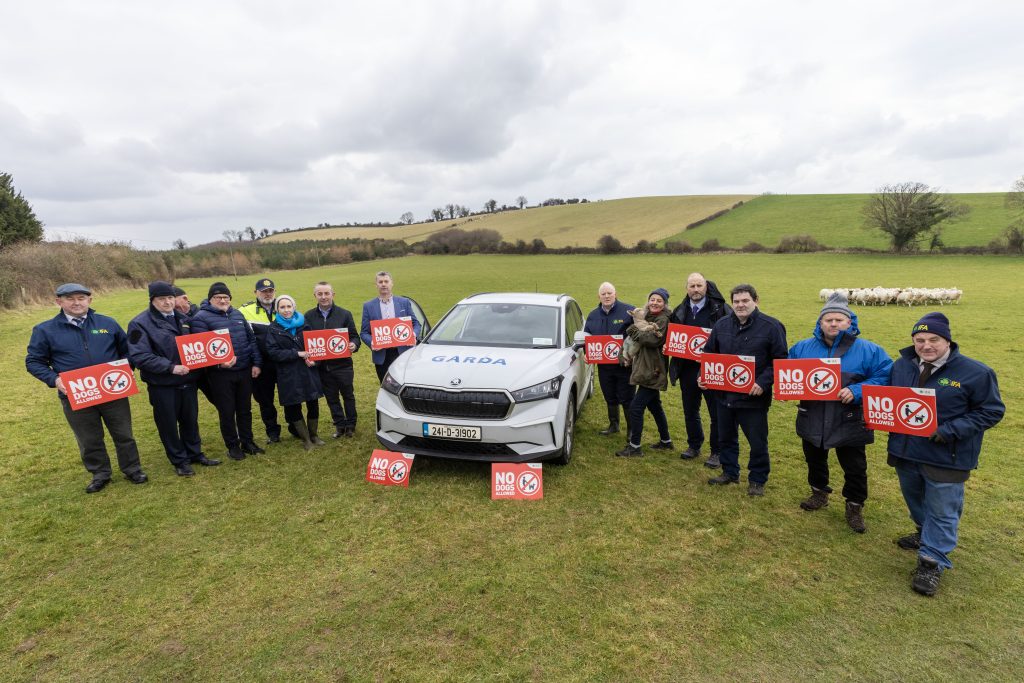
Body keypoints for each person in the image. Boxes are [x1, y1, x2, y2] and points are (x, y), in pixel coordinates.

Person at [887, 312, 1004, 596]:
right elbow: (891, 399)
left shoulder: (976, 373)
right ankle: (923, 533)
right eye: (919, 340)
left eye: (933, 339)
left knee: (942, 510)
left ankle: (932, 561)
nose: (926, 345)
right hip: (906, 450)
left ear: (947, 341)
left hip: (946, 455)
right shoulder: (902, 365)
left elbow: (992, 411)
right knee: (915, 499)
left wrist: (951, 430)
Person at [25, 283, 147, 493]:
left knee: (124, 434)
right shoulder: (45, 330)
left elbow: (128, 350)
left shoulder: (107, 323)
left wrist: (125, 369)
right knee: (89, 439)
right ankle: (100, 474)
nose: (76, 303)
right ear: (59, 302)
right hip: (76, 393)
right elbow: (34, 361)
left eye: (81, 298)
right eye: (70, 298)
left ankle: (132, 469)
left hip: (112, 390)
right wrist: (55, 379)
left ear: (89, 300)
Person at [787, 292, 892, 532]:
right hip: (813, 415)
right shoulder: (802, 348)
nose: (833, 324)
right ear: (820, 322)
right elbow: (788, 372)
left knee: (855, 466)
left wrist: (857, 390)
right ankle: (819, 493)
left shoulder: (869, 350)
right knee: (814, 459)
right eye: (828, 320)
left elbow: (886, 375)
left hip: (849, 418)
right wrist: (786, 388)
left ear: (849, 322)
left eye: (839, 320)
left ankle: (854, 505)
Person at [127, 281, 221, 476]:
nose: (167, 302)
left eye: (170, 297)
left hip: (188, 381)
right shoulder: (139, 323)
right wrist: (170, 367)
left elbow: (197, 345)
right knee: (168, 424)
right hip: (163, 384)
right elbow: (139, 356)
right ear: (152, 300)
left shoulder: (184, 318)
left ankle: (195, 453)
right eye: (162, 299)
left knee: (190, 420)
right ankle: (179, 460)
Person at [705, 283, 788, 496]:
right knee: (726, 437)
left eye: (745, 301)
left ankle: (757, 479)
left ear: (756, 301)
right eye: (736, 301)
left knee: (757, 441)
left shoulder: (772, 326)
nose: (740, 305)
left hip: (753, 398)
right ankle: (729, 471)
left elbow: (780, 360)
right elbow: (710, 354)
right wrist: (703, 375)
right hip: (724, 395)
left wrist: (763, 382)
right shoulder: (722, 324)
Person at [190, 282, 264, 460]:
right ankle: (233, 446)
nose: (223, 301)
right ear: (210, 299)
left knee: (245, 409)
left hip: (244, 370)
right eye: (218, 297)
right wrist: (219, 364)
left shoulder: (237, 313)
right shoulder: (200, 318)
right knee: (227, 411)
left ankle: (247, 442)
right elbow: (201, 349)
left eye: (226, 297)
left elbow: (251, 339)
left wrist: (256, 363)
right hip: (221, 374)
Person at [668, 272, 730, 467]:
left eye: (699, 285)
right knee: (690, 410)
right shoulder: (679, 310)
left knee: (716, 413)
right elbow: (673, 336)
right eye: (692, 286)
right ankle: (694, 445)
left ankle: (717, 452)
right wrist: (668, 346)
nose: (696, 290)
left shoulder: (721, 309)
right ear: (686, 288)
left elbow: (730, 337)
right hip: (687, 368)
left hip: (712, 369)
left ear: (706, 287)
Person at [615, 288, 673, 458]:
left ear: (664, 304)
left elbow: (652, 340)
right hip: (647, 367)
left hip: (653, 370)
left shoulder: (663, 319)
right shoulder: (648, 317)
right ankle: (666, 441)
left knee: (635, 408)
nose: (654, 303)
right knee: (655, 406)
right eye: (652, 299)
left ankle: (635, 447)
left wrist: (633, 330)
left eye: (659, 301)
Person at [265, 294, 325, 450]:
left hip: (308, 370)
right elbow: (273, 352)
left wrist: (315, 360)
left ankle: (314, 435)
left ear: (294, 307)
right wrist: (296, 354)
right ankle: (306, 439)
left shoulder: (305, 324)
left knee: (313, 402)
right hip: (288, 373)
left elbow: (317, 346)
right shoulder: (273, 328)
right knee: (293, 405)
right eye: (282, 307)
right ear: (277, 310)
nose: (286, 310)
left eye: (289, 306)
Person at [306, 281, 361, 438]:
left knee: (348, 395)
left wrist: (353, 344)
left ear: (333, 294)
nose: (323, 297)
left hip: (343, 365)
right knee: (332, 398)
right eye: (320, 294)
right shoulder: (308, 316)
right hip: (322, 367)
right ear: (315, 295)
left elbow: (355, 337)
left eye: (326, 293)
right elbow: (307, 340)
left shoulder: (345, 314)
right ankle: (340, 425)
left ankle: (351, 425)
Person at [584, 282, 635, 436]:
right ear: (598, 296)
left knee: (627, 398)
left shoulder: (628, 311)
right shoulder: (593, 315)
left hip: (624, 365)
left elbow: (637, 336)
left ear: (615, 294)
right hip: (604, 366)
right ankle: (614, 425)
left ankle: (632, 430)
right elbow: (587, 337)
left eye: (609, 293)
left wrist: (631, 354)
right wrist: (587, 352)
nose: (606, 296)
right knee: (609, 396)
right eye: (603, 294)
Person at [238, 278, 283, 443]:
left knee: (290, 396)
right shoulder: (244, 311)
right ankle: (273, 432)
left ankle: (295, 427)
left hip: (283, 361)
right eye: (263, 291)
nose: (267, 294)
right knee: (265, 400)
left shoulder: (284, 306)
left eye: (270, 291)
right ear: (255, 293)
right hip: (261, 364)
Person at [360, 271, 421, 382]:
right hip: (382, 355)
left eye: (386, 281)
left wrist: (413, 334)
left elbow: (416, 324)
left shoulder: (404, 302)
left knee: (406, 383)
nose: (383, 284)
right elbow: (364, 333)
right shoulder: (368, 306)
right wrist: (372, 342)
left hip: (403, 352)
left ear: (391, 283)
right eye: (380, 282)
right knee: (386, 385)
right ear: (376, 285)